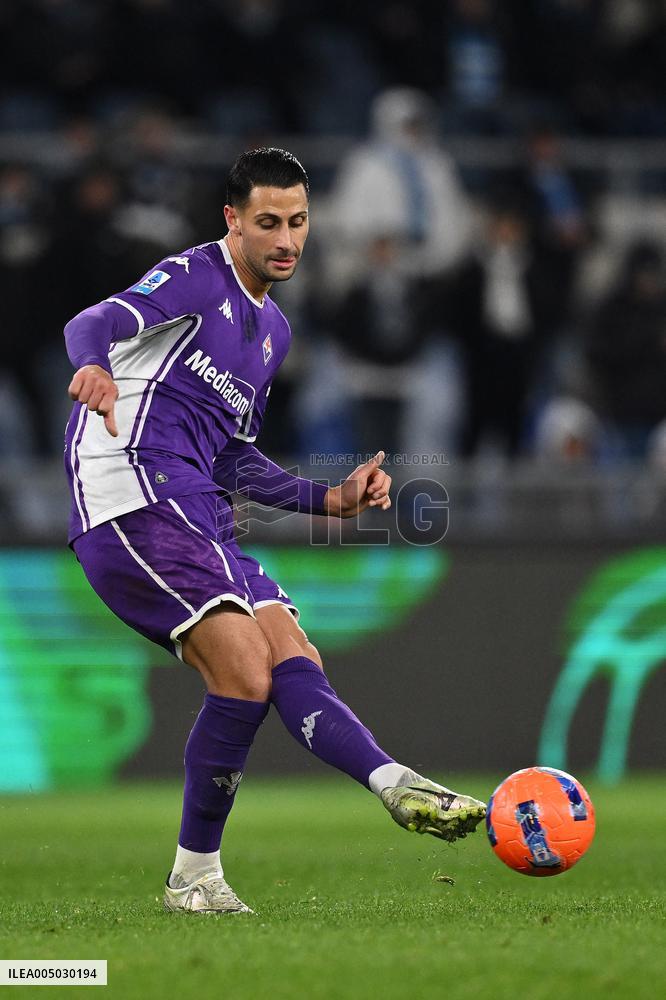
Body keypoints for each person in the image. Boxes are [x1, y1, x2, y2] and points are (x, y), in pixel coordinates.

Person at [64, 148, 485, 916]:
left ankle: (392, 784)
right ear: (233, 220)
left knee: (292, 651)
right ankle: (195, 878)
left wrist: (331, 499)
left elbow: (232, 456)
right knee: (244, 673)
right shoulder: (193, 276)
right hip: (127, 493)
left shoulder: (273, 334)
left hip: (195, 506)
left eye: (297, 222)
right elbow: (91, 320)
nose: (286, 239)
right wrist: (93, 366)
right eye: (267, 223)